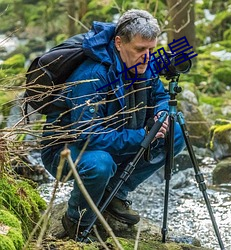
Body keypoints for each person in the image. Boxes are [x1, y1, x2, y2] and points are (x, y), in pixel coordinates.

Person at [41, 9, 185, 241]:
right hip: (67, 150)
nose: (148, 57)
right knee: (100, 164)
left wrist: (161, 114)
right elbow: (87, 135)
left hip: (116, 136)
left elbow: (159, 96)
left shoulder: (142, 64)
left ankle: (115, 193)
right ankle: (76, 221)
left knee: (175, 132)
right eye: (140, 49)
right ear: (119, 43)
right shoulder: (92, 75)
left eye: (152, 49)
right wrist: (142, 135)